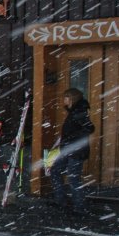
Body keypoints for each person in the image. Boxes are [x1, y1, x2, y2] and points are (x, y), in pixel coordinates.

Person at [48, 88, 94, 216]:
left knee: (74, 178)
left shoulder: (79, 111)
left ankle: (80, 207)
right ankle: (60, 200)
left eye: (66, 97)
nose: (64, 100)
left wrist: (72, 139)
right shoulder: (74, 111)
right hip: (67, 149)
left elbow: (89, 128)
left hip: (76, 150)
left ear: (72, 98)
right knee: (55, 170)